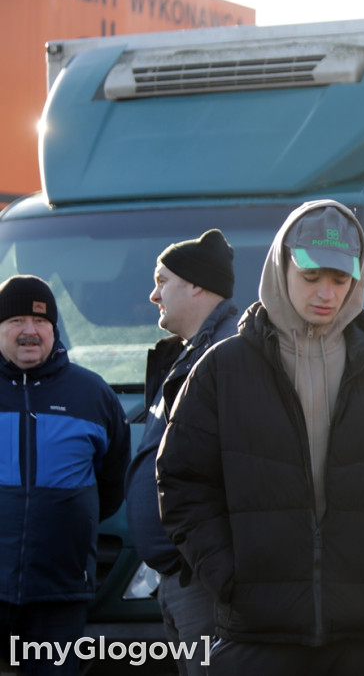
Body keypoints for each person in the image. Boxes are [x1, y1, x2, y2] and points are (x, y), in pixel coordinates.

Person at [155, 200, 364, 676]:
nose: (326, 293)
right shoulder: (223, 369)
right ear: (280, 265)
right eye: (311, 277)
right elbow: (181, 481)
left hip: (358, 633)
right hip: (254, 632)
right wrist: (231, 578)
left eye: (340, 279)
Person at [0, 275, 130, 675]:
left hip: (61, 594)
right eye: (16, 320)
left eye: (40, 322)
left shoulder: (93, 395)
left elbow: (112, 484)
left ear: (54, 330)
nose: (29, 331)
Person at [123, 229, 238, 676]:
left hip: (204, 582)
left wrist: (213, 566)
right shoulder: (187, 355)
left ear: (196, 284)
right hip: (180, 578)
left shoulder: (228, 355)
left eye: (161, 281)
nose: (153, 295)